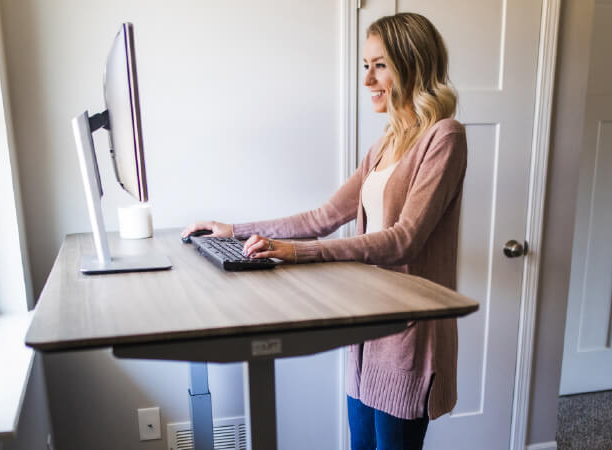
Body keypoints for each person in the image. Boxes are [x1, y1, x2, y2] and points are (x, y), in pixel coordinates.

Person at [182, 12, 467, 450]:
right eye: (365, 66)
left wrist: (297, 252)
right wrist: (234, 230)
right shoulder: (384, 145)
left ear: (412, 64)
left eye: (381, 65)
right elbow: (323, 216)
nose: (368, 79)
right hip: (366, 335)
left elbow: (404, 239)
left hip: (408, 336)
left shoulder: (443, 137)